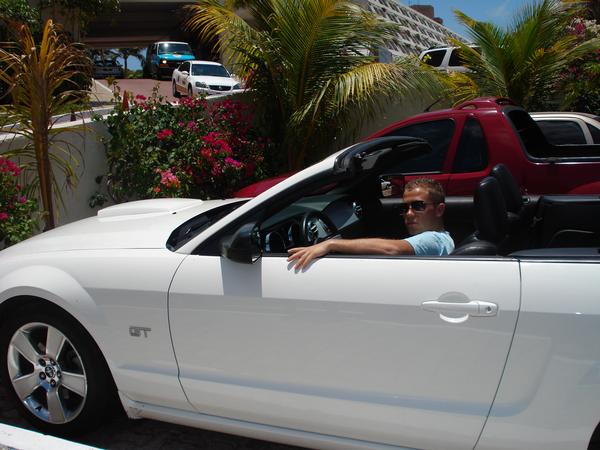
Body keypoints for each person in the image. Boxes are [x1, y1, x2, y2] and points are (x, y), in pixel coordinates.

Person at [287, 178, 454, 270]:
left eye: (418, 206)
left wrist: (330, 244)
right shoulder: (443, 240)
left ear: (439, 210)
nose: (409, 214)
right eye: (404, 208)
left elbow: (392, 249)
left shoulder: (434, 240)